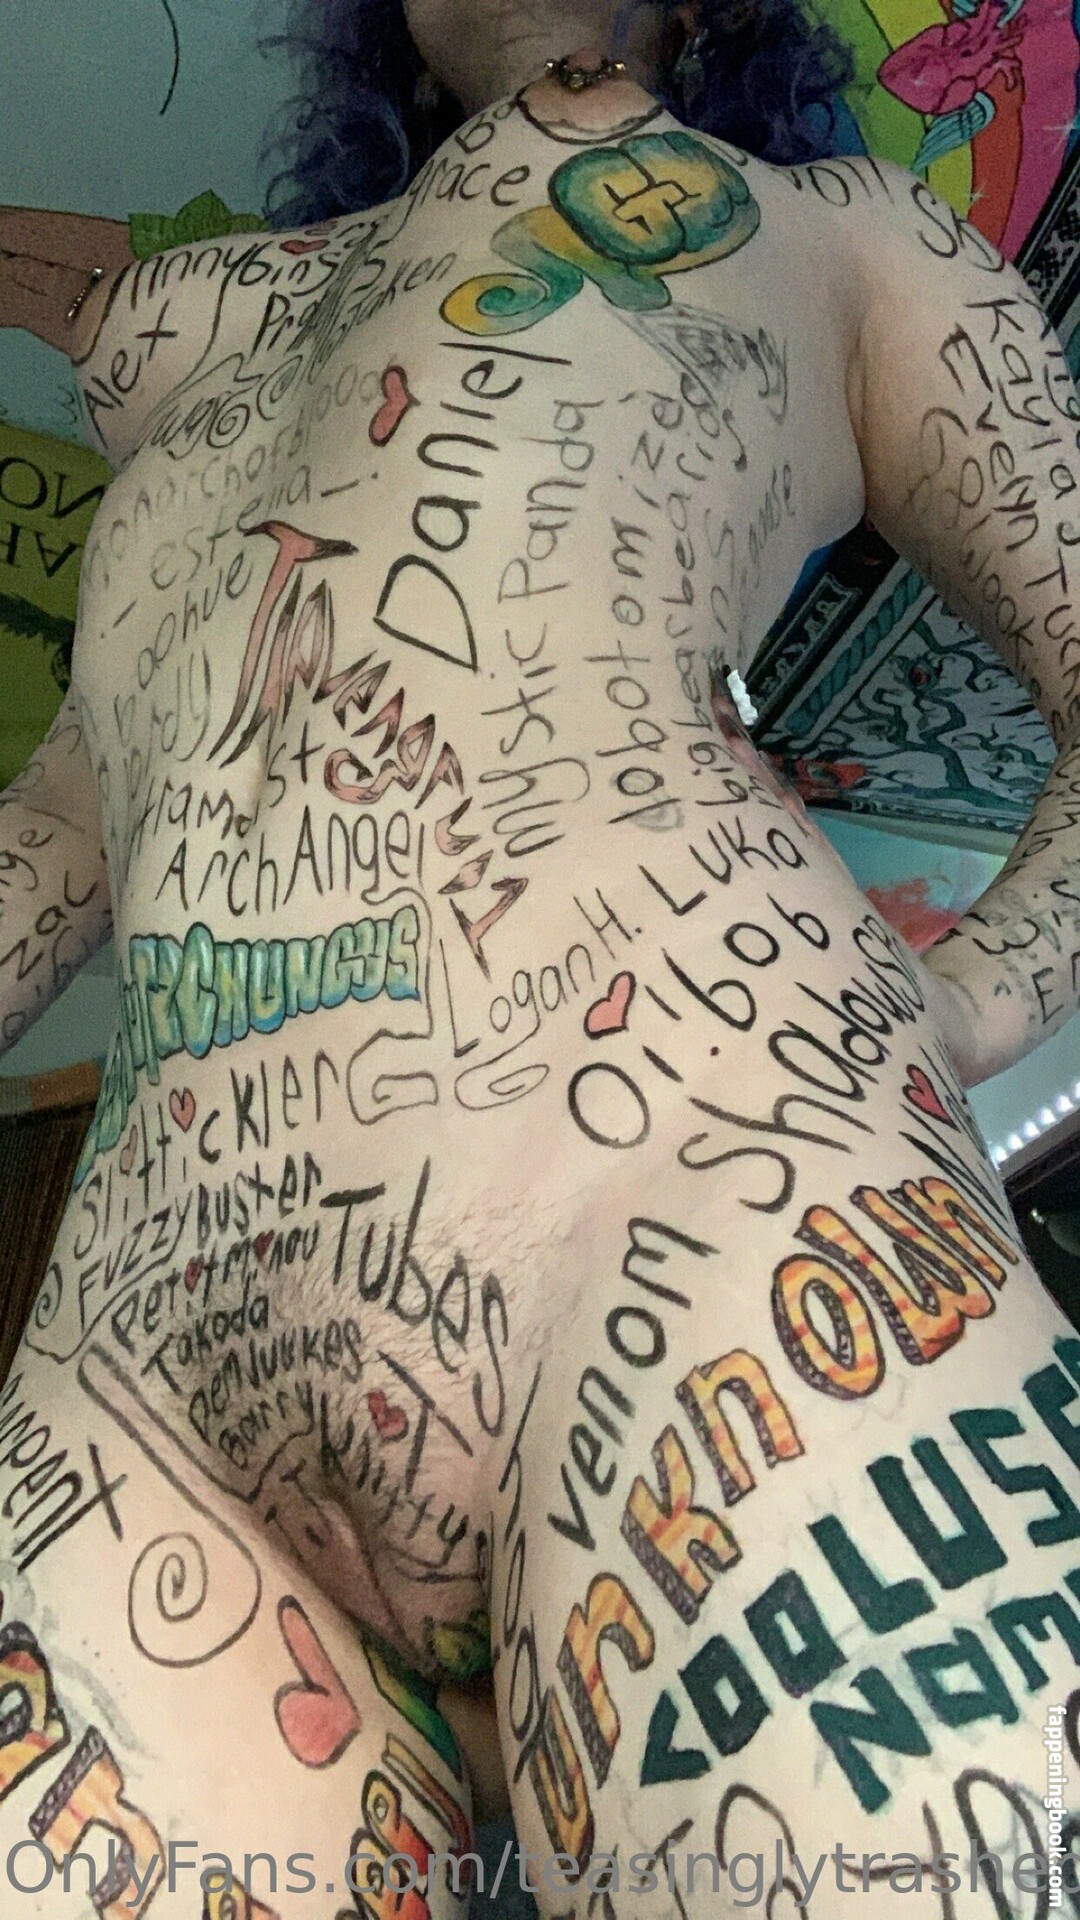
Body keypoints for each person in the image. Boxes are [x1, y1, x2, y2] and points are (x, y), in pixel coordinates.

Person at [0, 1, 1078, 1913]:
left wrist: (984, 994)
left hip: (726, 1223)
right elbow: (92, 802)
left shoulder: (830, 231)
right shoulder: (205, 331)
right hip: (142, 1385)